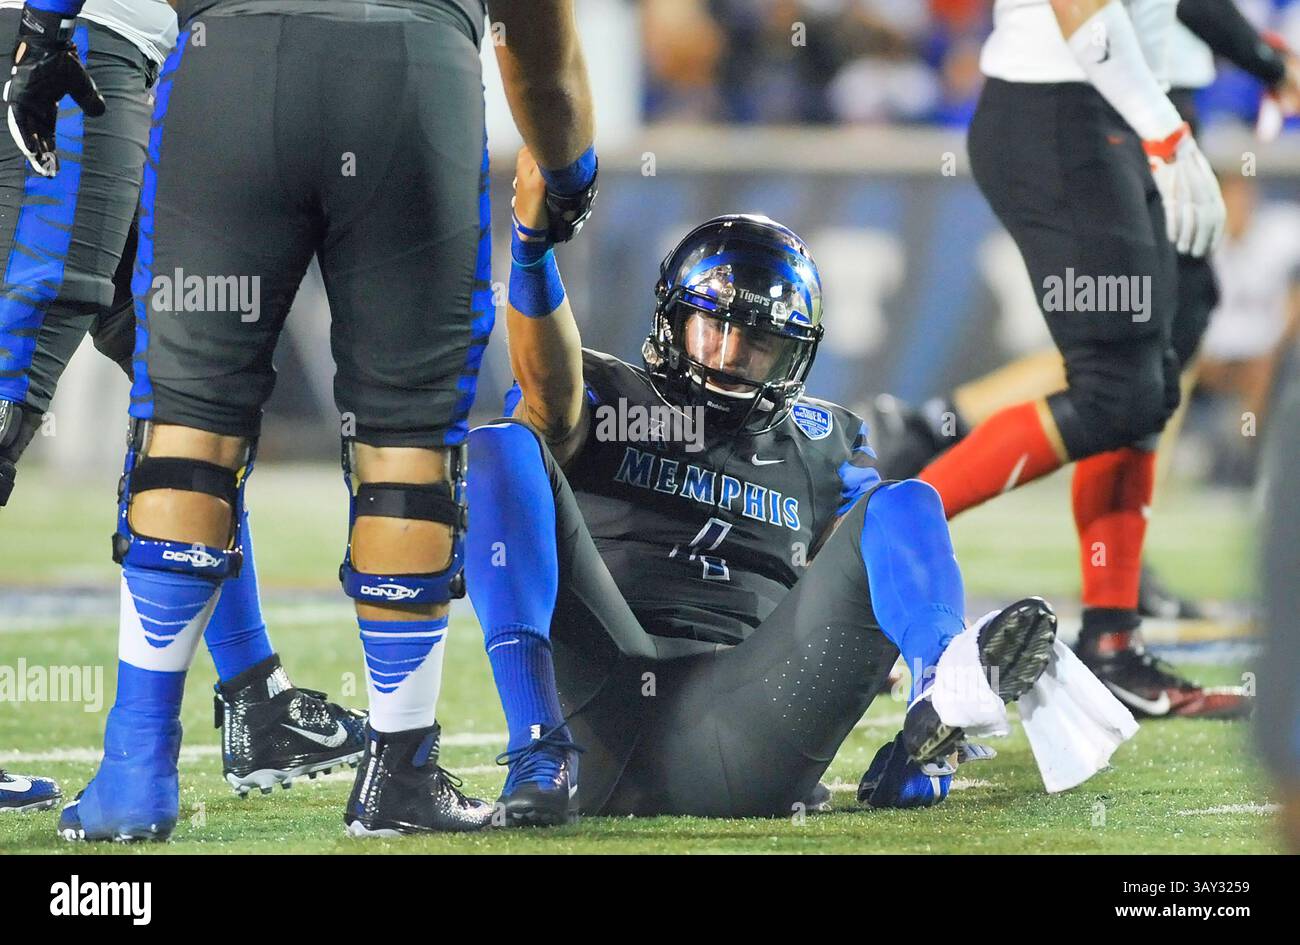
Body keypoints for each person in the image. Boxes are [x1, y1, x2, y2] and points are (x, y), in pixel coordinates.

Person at [7, 0, 597, 841]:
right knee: (406, 446)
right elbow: (540, 45)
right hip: (412, 67)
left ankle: (136, 768)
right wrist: (571, 170)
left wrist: (49, 23)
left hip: (228, 64)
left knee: (188, 429)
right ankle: (400, 770)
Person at [463, 160, 1059, 823]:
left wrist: (904, 631)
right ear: (671, 320)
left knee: (905, 499)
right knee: (503, 444)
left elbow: (881, 561)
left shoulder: (828, 439)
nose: (727, 353)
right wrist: (533, 249)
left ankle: (944, 690)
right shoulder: (609, 395)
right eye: (713, 327)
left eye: (758, 342)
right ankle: (536, 748)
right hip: (591, 707)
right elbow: (545, 378)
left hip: (748, 730)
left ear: (796, 355)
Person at [0, 0, 366, 813]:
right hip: (72, 46)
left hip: (117, 54)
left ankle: (254, 695)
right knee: (10, 384)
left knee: (185, 387)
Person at [912, 0, 1244, 719]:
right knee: (1115, 391)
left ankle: (1114, 642)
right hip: (1059, 111)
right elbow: (1081, 10)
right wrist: (1168, 134)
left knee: (1149, 378)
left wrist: (1264, 64)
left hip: (1113, 108)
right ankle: (875, 537)